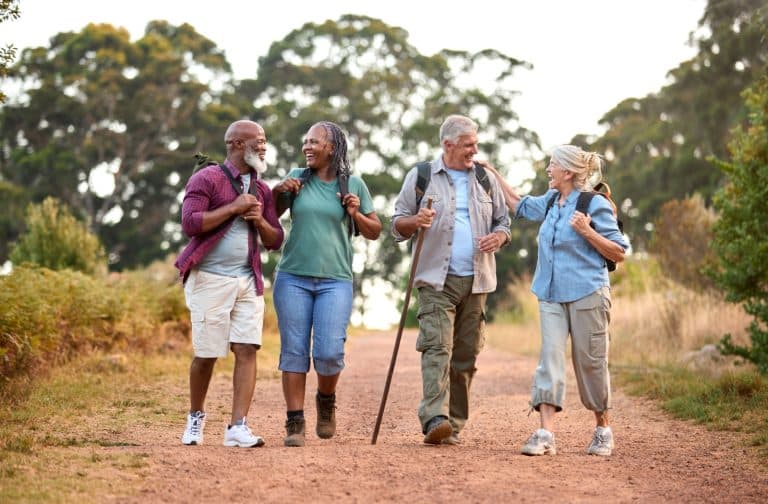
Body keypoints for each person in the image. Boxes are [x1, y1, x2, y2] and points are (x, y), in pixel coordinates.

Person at [482, 144, 628, 457]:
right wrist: (491, 171)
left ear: (568, 172)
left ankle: (603, 429)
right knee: (549, 358)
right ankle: (545, 433)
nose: (548, 170)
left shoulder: (594, 204)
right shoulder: (550, 201)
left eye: (552, 165)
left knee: (590, 362)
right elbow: (518, 204)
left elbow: (618, 251)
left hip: (588, 293)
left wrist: (587, 232)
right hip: (550, 295)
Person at [391, 115, 511, 445]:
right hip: (435, 280)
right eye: (469, 144)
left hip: (478, 281)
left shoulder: (486, 178)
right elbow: (397, 224)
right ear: (448, 145)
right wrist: (415, 220)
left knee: (466, 356)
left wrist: (499, 238)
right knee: (436, 347)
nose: (475, 149)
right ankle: (435, 418)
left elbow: (504, 222)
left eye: (475, 143)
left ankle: (454, 423)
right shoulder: (421, 176)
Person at [271, 121, 382, 447]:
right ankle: (295, 421)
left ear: (331, 148)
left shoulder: (354, 184)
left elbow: (374, 230)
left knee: (330, 352)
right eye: (305, 141)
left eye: (314, 142)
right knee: (293, 352)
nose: (307, 147)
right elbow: (271, 215)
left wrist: (356, 213)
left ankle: (325, 399)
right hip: (292, 277)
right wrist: (279, 192)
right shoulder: (297, 178)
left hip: (336, 280)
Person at [174, 119, 284, 447]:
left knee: (247, 347)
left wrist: (260, 220)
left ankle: (238, 427)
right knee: (207, 354)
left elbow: (275, 239)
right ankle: (195, 418)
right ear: (236, 144)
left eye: (265, 141)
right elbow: (190, 223)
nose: (263, 147)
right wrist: (234, 207)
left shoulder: (262, 189)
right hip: (209, 279)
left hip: (248, 279)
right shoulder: (206, 178)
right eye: (257, 141)